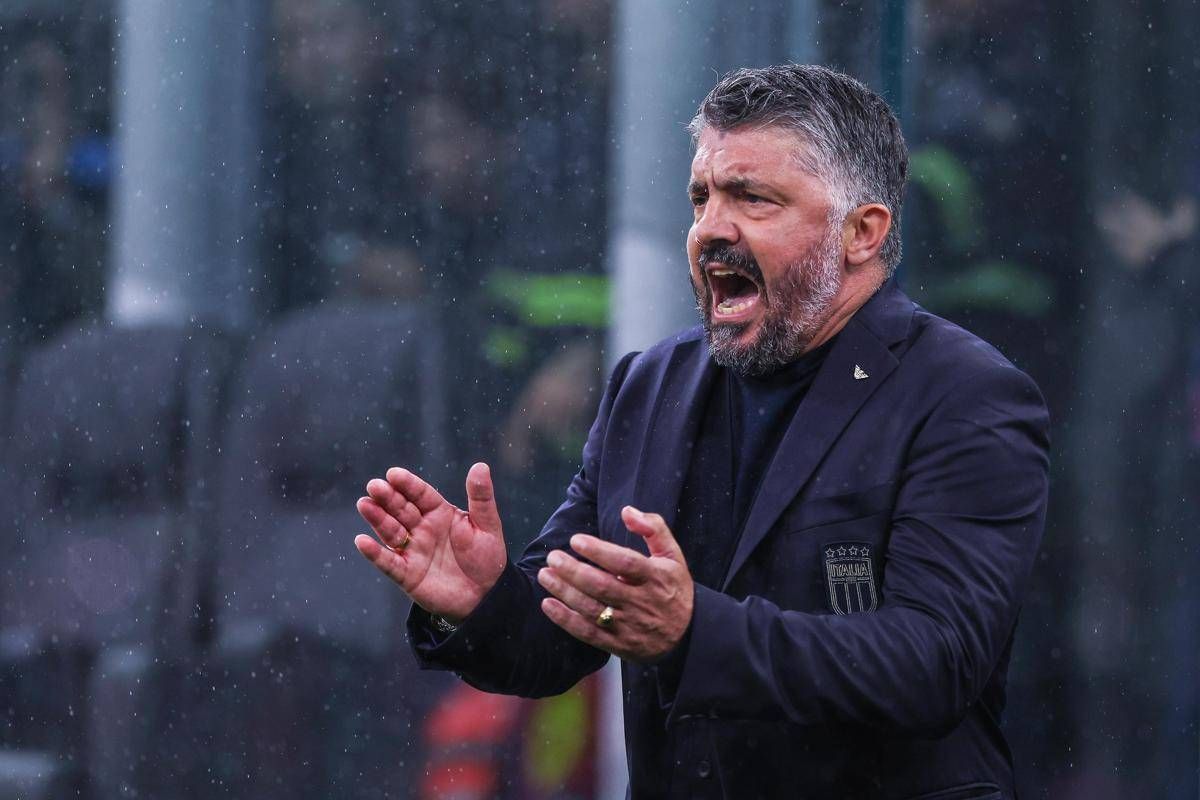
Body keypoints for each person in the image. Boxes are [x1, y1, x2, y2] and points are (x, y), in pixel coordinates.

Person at [354, 64, 1050, 799]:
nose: (711, 228)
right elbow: (563, 636)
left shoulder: (967, 395)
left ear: (861, 233)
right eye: (701, 197)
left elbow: (934, 664)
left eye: (753, 198)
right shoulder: (649, 386)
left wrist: (695, 633)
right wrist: (482, 603)